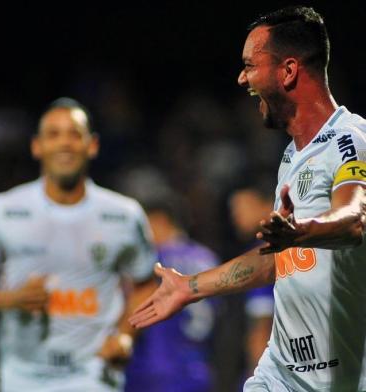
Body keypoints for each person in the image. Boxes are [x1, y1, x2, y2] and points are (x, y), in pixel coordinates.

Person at [129, 6, 366, 391]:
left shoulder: (350, 139)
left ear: (288, 71)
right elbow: (276, 257)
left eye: (250, 65)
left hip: (340, 379)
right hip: (281, 374)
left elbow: (355, 217)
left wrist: (302, 230)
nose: (241, 78)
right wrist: (190, 287)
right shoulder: (291, 156)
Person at [0, 98, 157, 392]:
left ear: (92, 145)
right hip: (24, 375)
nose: (65, 144)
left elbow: (146, 285)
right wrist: (10, 299)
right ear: (37, 146)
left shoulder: (124, 215)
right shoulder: (2, 211)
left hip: (95, 374)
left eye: (74, 134)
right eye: (53, 134)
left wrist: (124, 335)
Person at [125, 194, 219, 392]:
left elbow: (134, 310)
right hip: (199, 366)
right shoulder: (208, 258)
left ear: (159, 221)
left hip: (155, 369)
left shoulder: (154, 261)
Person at [228, 186, 274, 378]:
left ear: (266, 205)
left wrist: (257, 377)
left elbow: (261, 326)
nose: (236, 216)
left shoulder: (267, 252)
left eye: (243, 207)